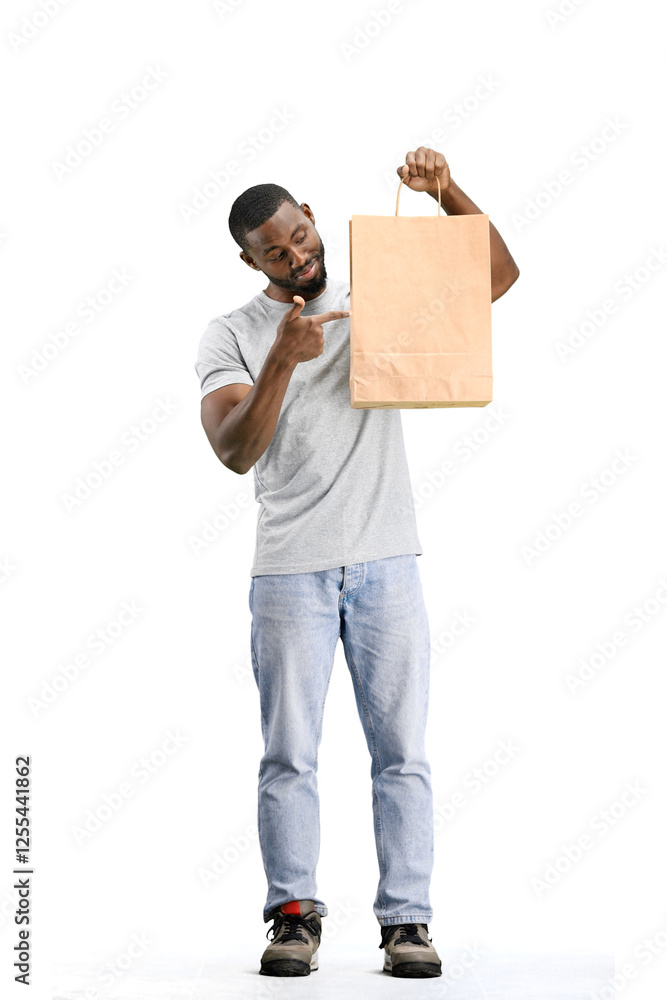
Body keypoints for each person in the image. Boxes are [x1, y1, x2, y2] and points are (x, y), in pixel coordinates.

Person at [195, 147, 519, 978]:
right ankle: (292, 919)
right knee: (288, 756)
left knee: (401, 753)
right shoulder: (231, 334)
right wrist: (282, 357)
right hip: (288, 569)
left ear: (311, 216)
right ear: (250, 262)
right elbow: (234, 451)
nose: (297, 257)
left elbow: (497, 276)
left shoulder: (376, 292)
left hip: (386, 560)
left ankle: (406, 921)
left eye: (300, 237)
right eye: (275, 253)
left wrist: (446, 192)